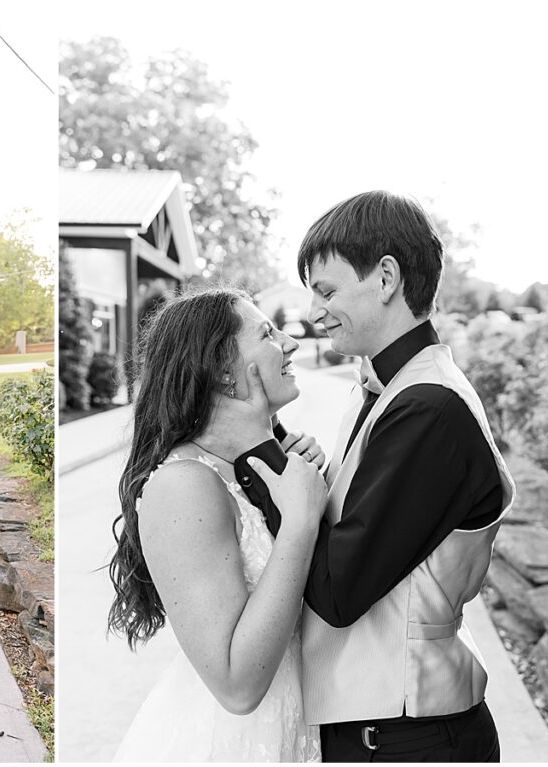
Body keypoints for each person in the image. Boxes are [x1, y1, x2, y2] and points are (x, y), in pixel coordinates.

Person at [238, 191, 515, 761]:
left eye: (328, 290)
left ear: (386, 277)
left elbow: (339, 592)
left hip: (409, 736)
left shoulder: (428, 408)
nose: (315, 312)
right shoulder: (392, 392)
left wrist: (265, 477)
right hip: (384, 728)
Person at [108, 287, 329, 762]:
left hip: (292, 732)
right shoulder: (183, 486)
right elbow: (236, 686)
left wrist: (292, 474)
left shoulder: (251, 467)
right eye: (268, 334)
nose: (290, 343)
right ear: (224, 369)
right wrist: (300, 523)